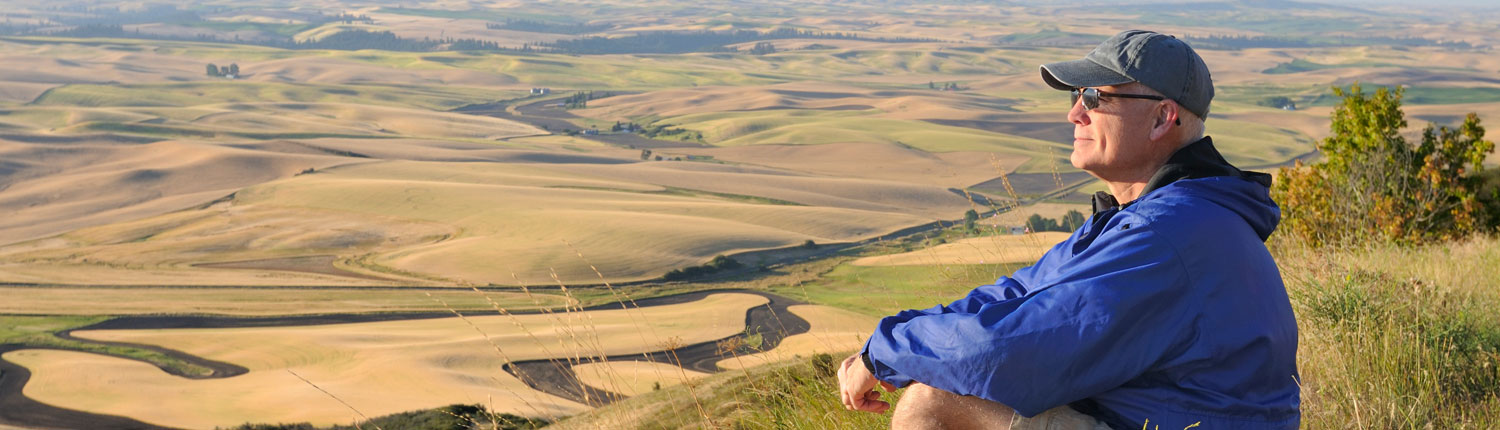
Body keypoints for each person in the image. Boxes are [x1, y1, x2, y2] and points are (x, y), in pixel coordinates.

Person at [837, 29, 1301, 429]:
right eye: (1076, 96)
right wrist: (891, 337)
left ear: (1163, 117)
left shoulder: (1166, 233)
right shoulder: (1155, 213)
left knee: (934, 403)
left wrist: (887, 351)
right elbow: (1017, 293)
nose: (1075, 113)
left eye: (1096, 97)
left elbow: (1007, 352)